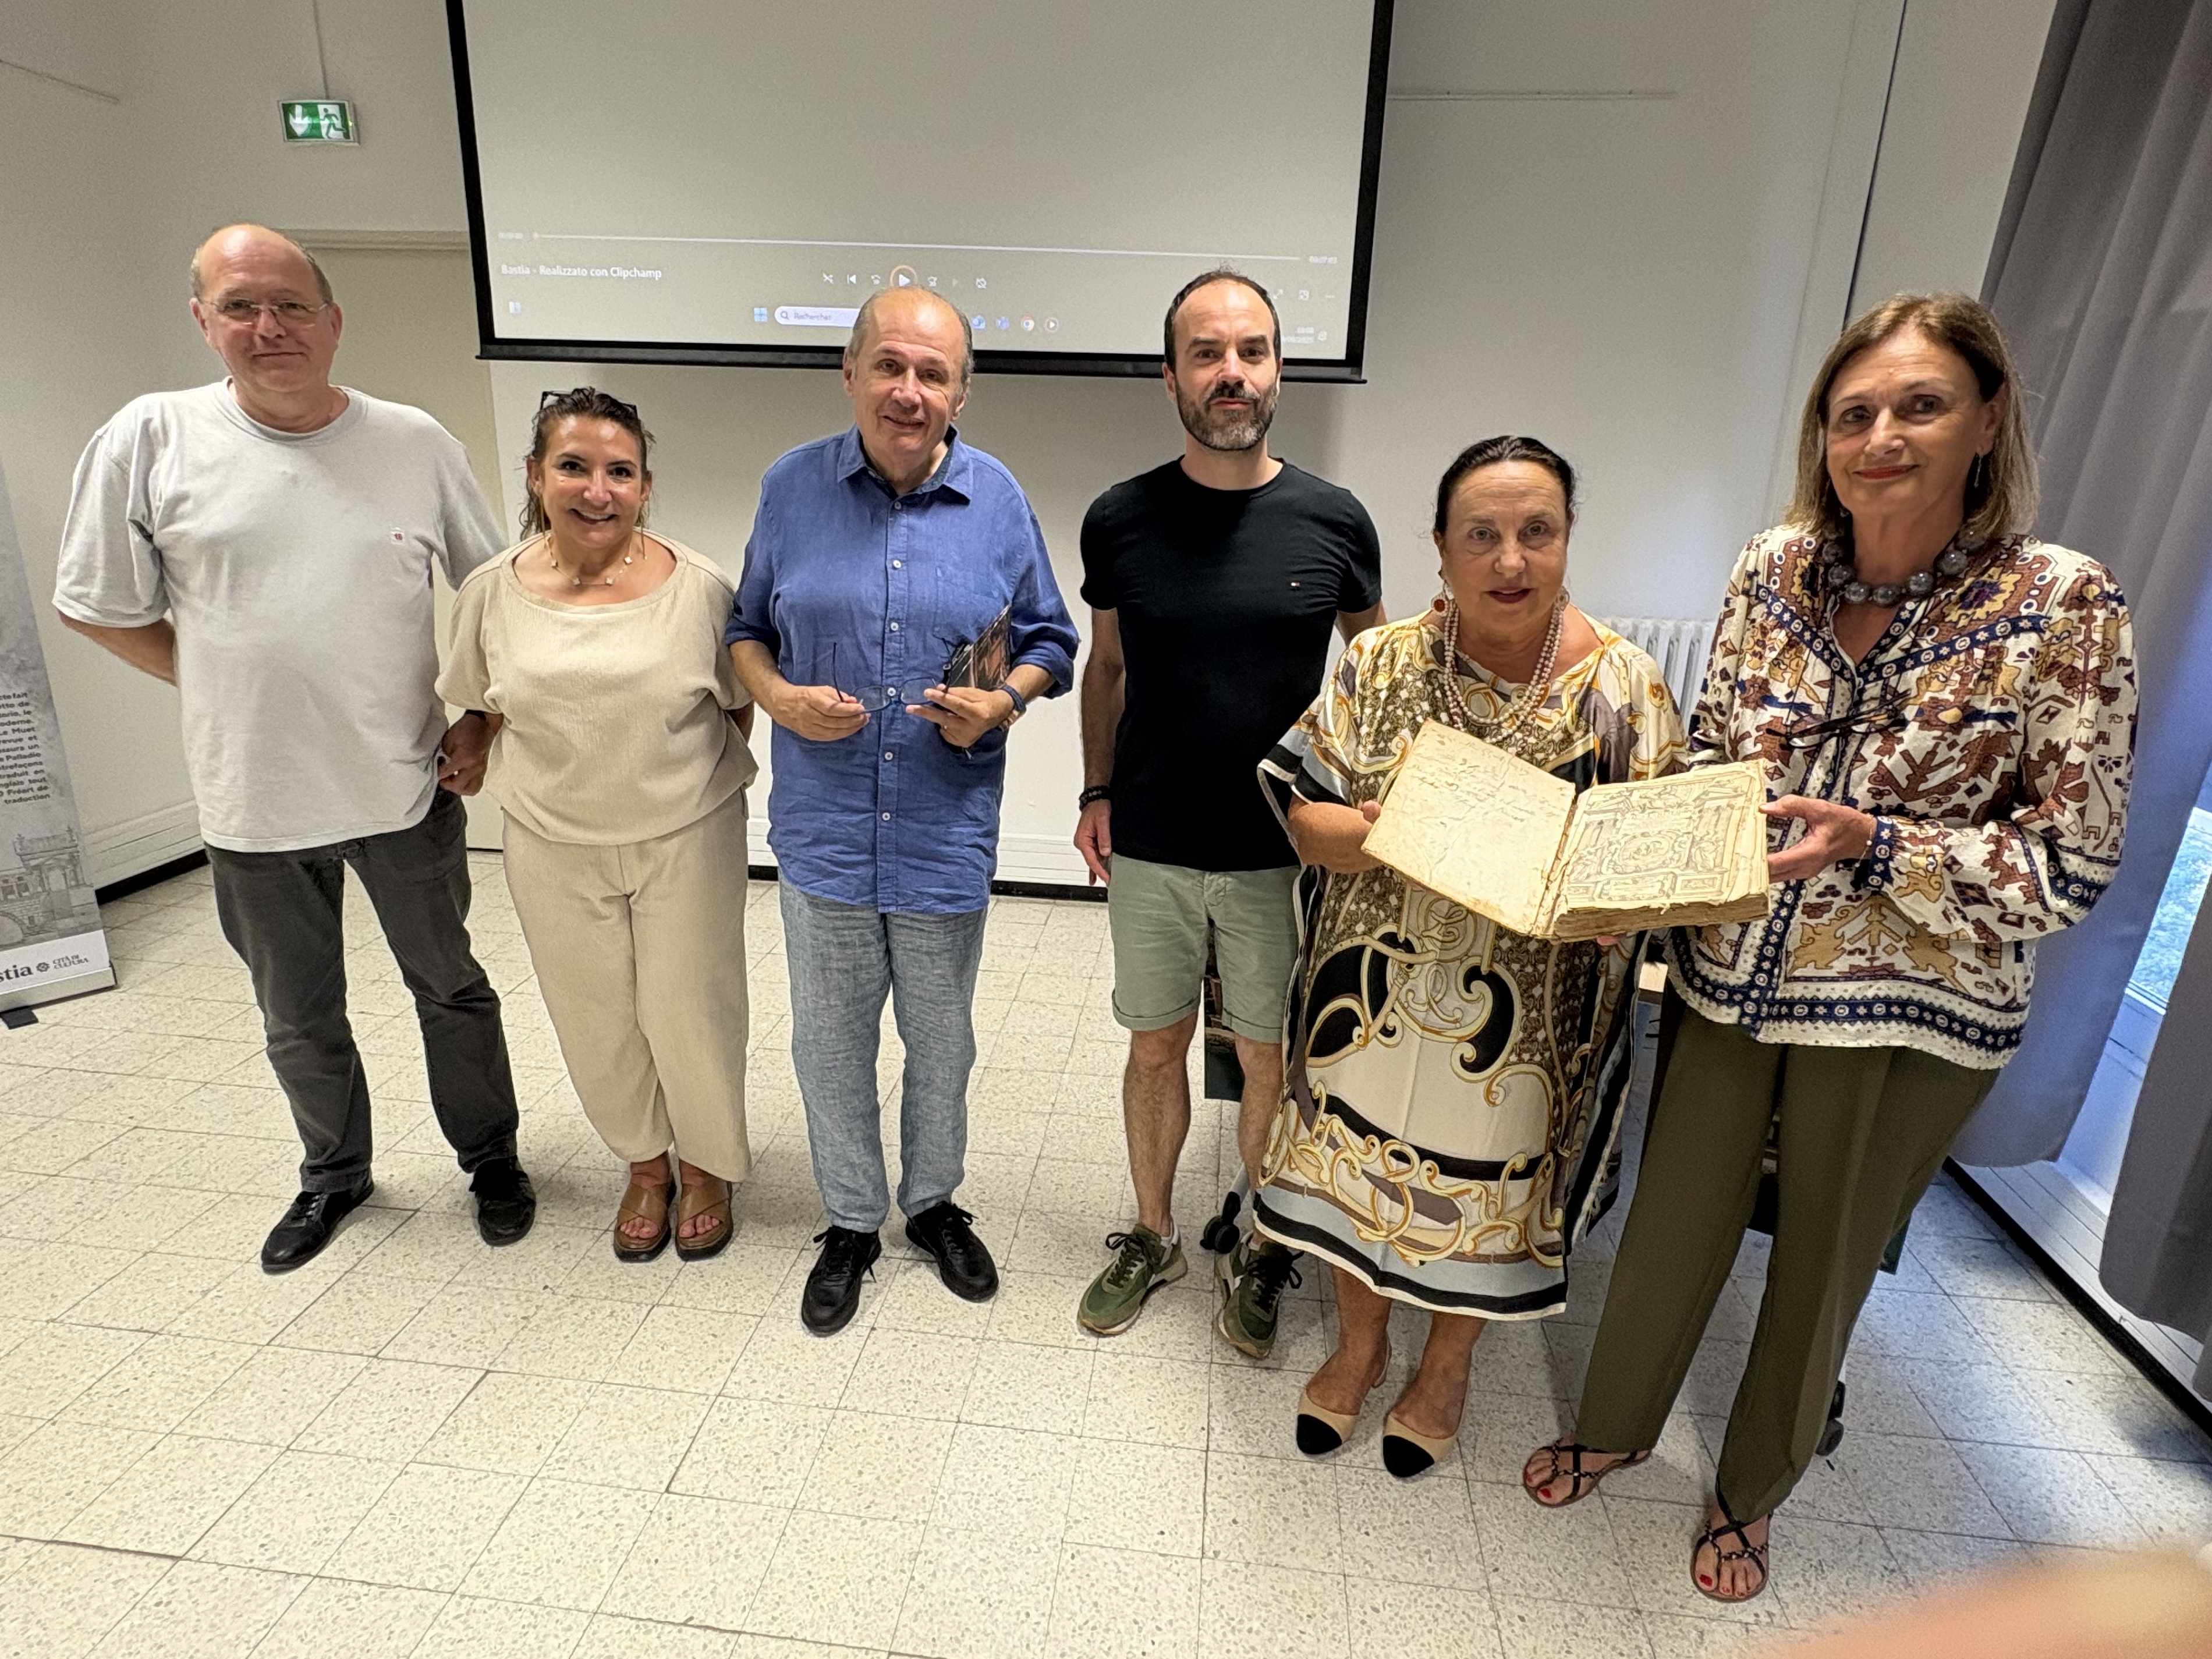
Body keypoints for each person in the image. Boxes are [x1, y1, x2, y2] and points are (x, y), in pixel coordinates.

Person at [1524, 293, 2136, 1604]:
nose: (1880, 436)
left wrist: (1877, 845)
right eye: (1852, 412)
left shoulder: (2061, 602)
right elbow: (1707, 761)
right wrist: (1638, 866)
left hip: (1911, 1014)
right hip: (1730, 976)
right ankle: (1616, 1420)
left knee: (1824, 1258)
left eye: (1918, 405)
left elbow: (2068, 867)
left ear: (1985, 420)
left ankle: (1753, 1490)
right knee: (1672, 1220)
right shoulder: (1770, 568)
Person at [51, 224, 536, 1270]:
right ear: (203, 321)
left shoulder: (413, 441)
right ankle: (334, 1177)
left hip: (405, 781)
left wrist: (481, 718)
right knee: (297, 1011)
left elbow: (497, 594)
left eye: (289, 306)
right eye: (239, 307)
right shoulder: (151, 437)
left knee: (450, 985)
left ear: (332, 321)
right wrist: (214, 670)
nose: (267, 327)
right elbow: (94, 602)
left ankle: (491, 1156)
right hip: (251, 800)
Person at [1257, 436, 1686, 1476]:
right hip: (1369, 994)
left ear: (1568, 538)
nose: (1510, 560)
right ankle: (1359, 1348)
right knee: (1354, 1173)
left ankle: (1446, 1369)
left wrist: (1634, 903)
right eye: (1480, 535)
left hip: (1530, 1021)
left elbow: (1661, 860)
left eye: (1536, 532)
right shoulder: (1380, 662)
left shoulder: (1624, 689)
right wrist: (1382, 830)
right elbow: (1300, 815)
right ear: (1440, 550)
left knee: (1494, 1197)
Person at [727, 287, 1079, 1335]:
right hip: (827, 834)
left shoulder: (1001, 499)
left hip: (941, 831)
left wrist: (1007, 698)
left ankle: (931, 1204)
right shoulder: (791, 488)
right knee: (831, 1044)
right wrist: (779, 697)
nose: (909, 391)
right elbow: (747, 626)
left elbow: (1053, 640)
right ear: (850, 373)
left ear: (961, 389)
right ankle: (848, 1218)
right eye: (890, 366)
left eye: (933, 373)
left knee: (943, 1040)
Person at [1072, 270, 1384, 1355]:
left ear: (1279, 370)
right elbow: (1104, 668)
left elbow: (1375, 678)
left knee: (1266, 1058)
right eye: (1207, 354)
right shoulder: (1119, 518)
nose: (1232, 373)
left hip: (1279, 851)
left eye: (1251, 351)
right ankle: (1153, 1232)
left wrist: (1370, 815)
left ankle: (1260, 1244)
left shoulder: (1335, 520)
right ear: (1172, 378)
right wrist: (1096, 792)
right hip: (1153, 837)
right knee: (1154, 1043)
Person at [438, 388, 757, 1263]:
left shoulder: (700, 589)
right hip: (550, 839)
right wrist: (467, 749)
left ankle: (706, 1163)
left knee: (690, 1006)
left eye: (620, 471)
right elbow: (476, 705)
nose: (596, 488)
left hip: (685, 833)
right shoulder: (489, 593)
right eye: (573, 466)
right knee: (594, 1014)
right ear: (538, 476)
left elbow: (736, 709)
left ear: (645, 487)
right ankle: (645, 1165)